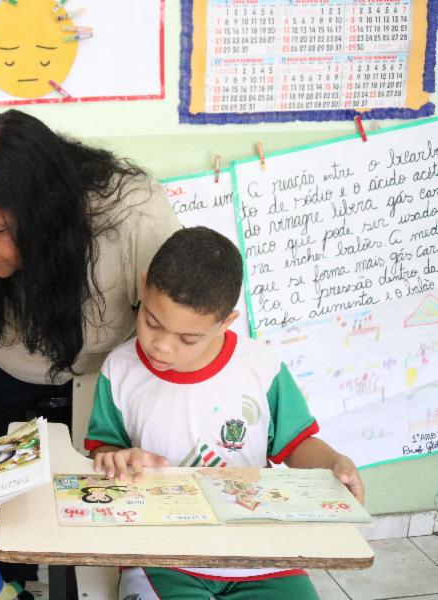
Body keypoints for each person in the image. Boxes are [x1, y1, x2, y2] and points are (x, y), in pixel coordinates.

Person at [0, 109, 181, 467]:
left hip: (115, 390)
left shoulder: (134, 216)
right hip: (5, 381)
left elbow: (180, 333)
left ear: (46, 217)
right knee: (13, 513)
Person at [85, 226, 366, 600]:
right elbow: (101, 453)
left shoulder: (260, 368)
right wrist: (117, 459)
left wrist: (334, 464)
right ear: (143, 286)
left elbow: (298, 445)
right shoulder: (119, 370)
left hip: (261, 556)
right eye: (152, 322)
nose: (162, 346)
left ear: (226, 322)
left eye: (188, 339)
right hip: (162, 557)